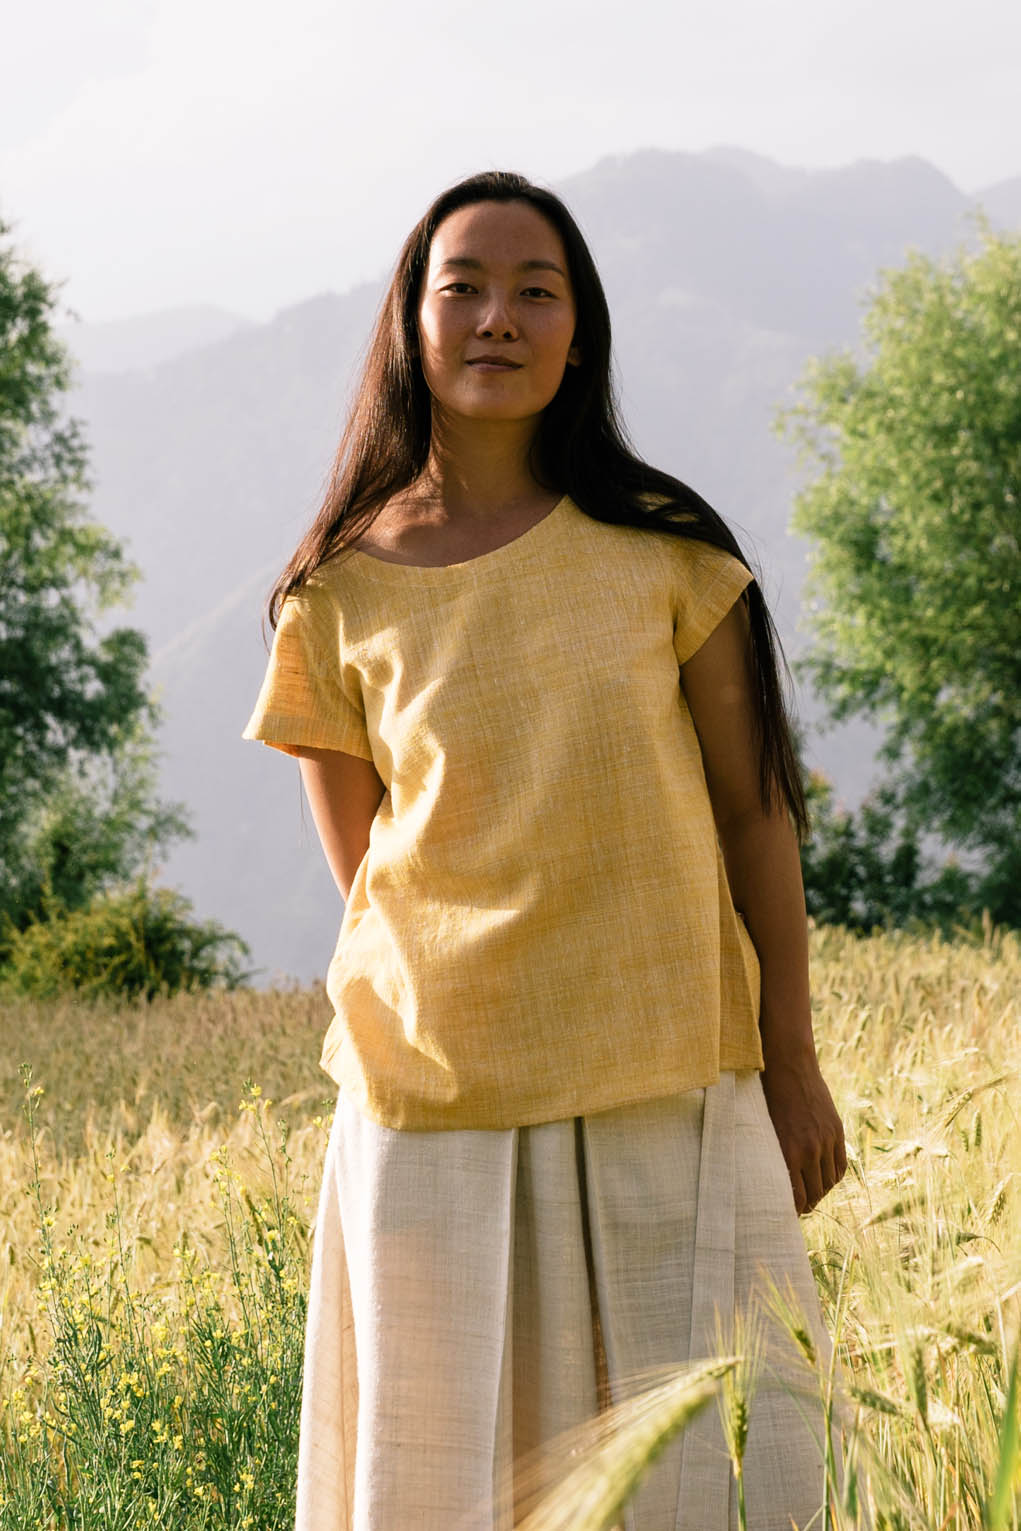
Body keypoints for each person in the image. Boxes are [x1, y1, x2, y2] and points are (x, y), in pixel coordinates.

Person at [244, 169, 847, 1531]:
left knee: (692, 1489)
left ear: (582, 332)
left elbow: (757, 817)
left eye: (536, 290)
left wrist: (793, 1066)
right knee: (437, 1480)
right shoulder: (332, 593)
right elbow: (367, 876)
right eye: (461, 286)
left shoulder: (669, 556)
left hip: (665, 1075)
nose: (497, 318)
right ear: (408, 322)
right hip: (427, 1105)